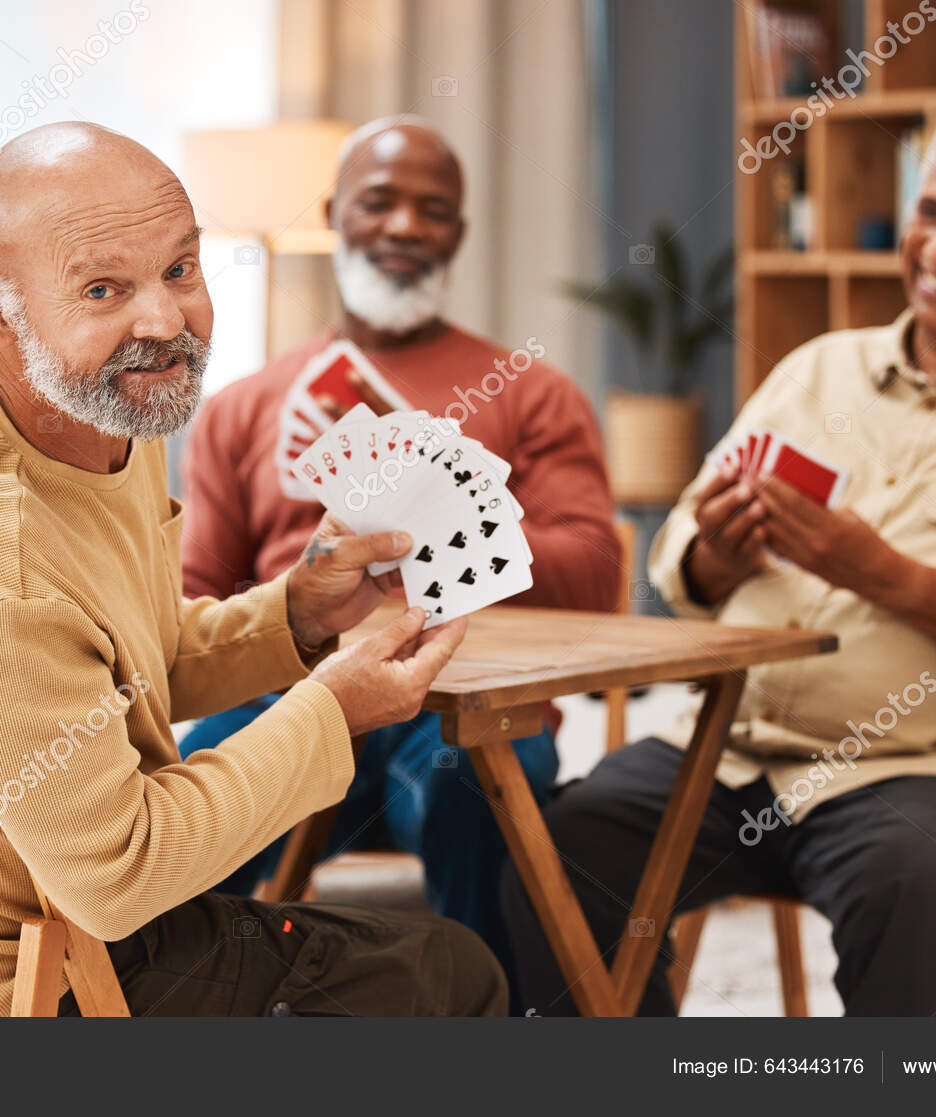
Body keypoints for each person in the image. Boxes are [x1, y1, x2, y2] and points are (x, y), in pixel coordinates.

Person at [0, 121, 505, 1017]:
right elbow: (121, 873)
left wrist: (296, 613)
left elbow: (125, 668)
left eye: (180, 269)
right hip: (9, 986)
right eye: (104, 288)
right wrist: (332, 711)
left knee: (410, 951)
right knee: (453, 974)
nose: (166, 323)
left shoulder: (104, 410)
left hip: (52, 921)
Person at [502, 105, 936, 1016]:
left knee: (920, 889)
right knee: (557, 851)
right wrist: (718, 556)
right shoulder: (819, 371)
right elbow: (678, 563)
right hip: (728, 754)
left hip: (928, 771)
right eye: (929, 211)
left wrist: (885, 575)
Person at [179, 116, 620, 965]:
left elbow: (598, 576)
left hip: (471, 698)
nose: (407, 226)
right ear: (333, 211)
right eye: (380, 202)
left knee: (482, 792)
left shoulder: (536, 394)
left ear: (458, 232)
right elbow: (199, 599)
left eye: (434, 210)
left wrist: (447, 528)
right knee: (182, 796)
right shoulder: (240, 406)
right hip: (292, 691)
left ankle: (491, 1026)